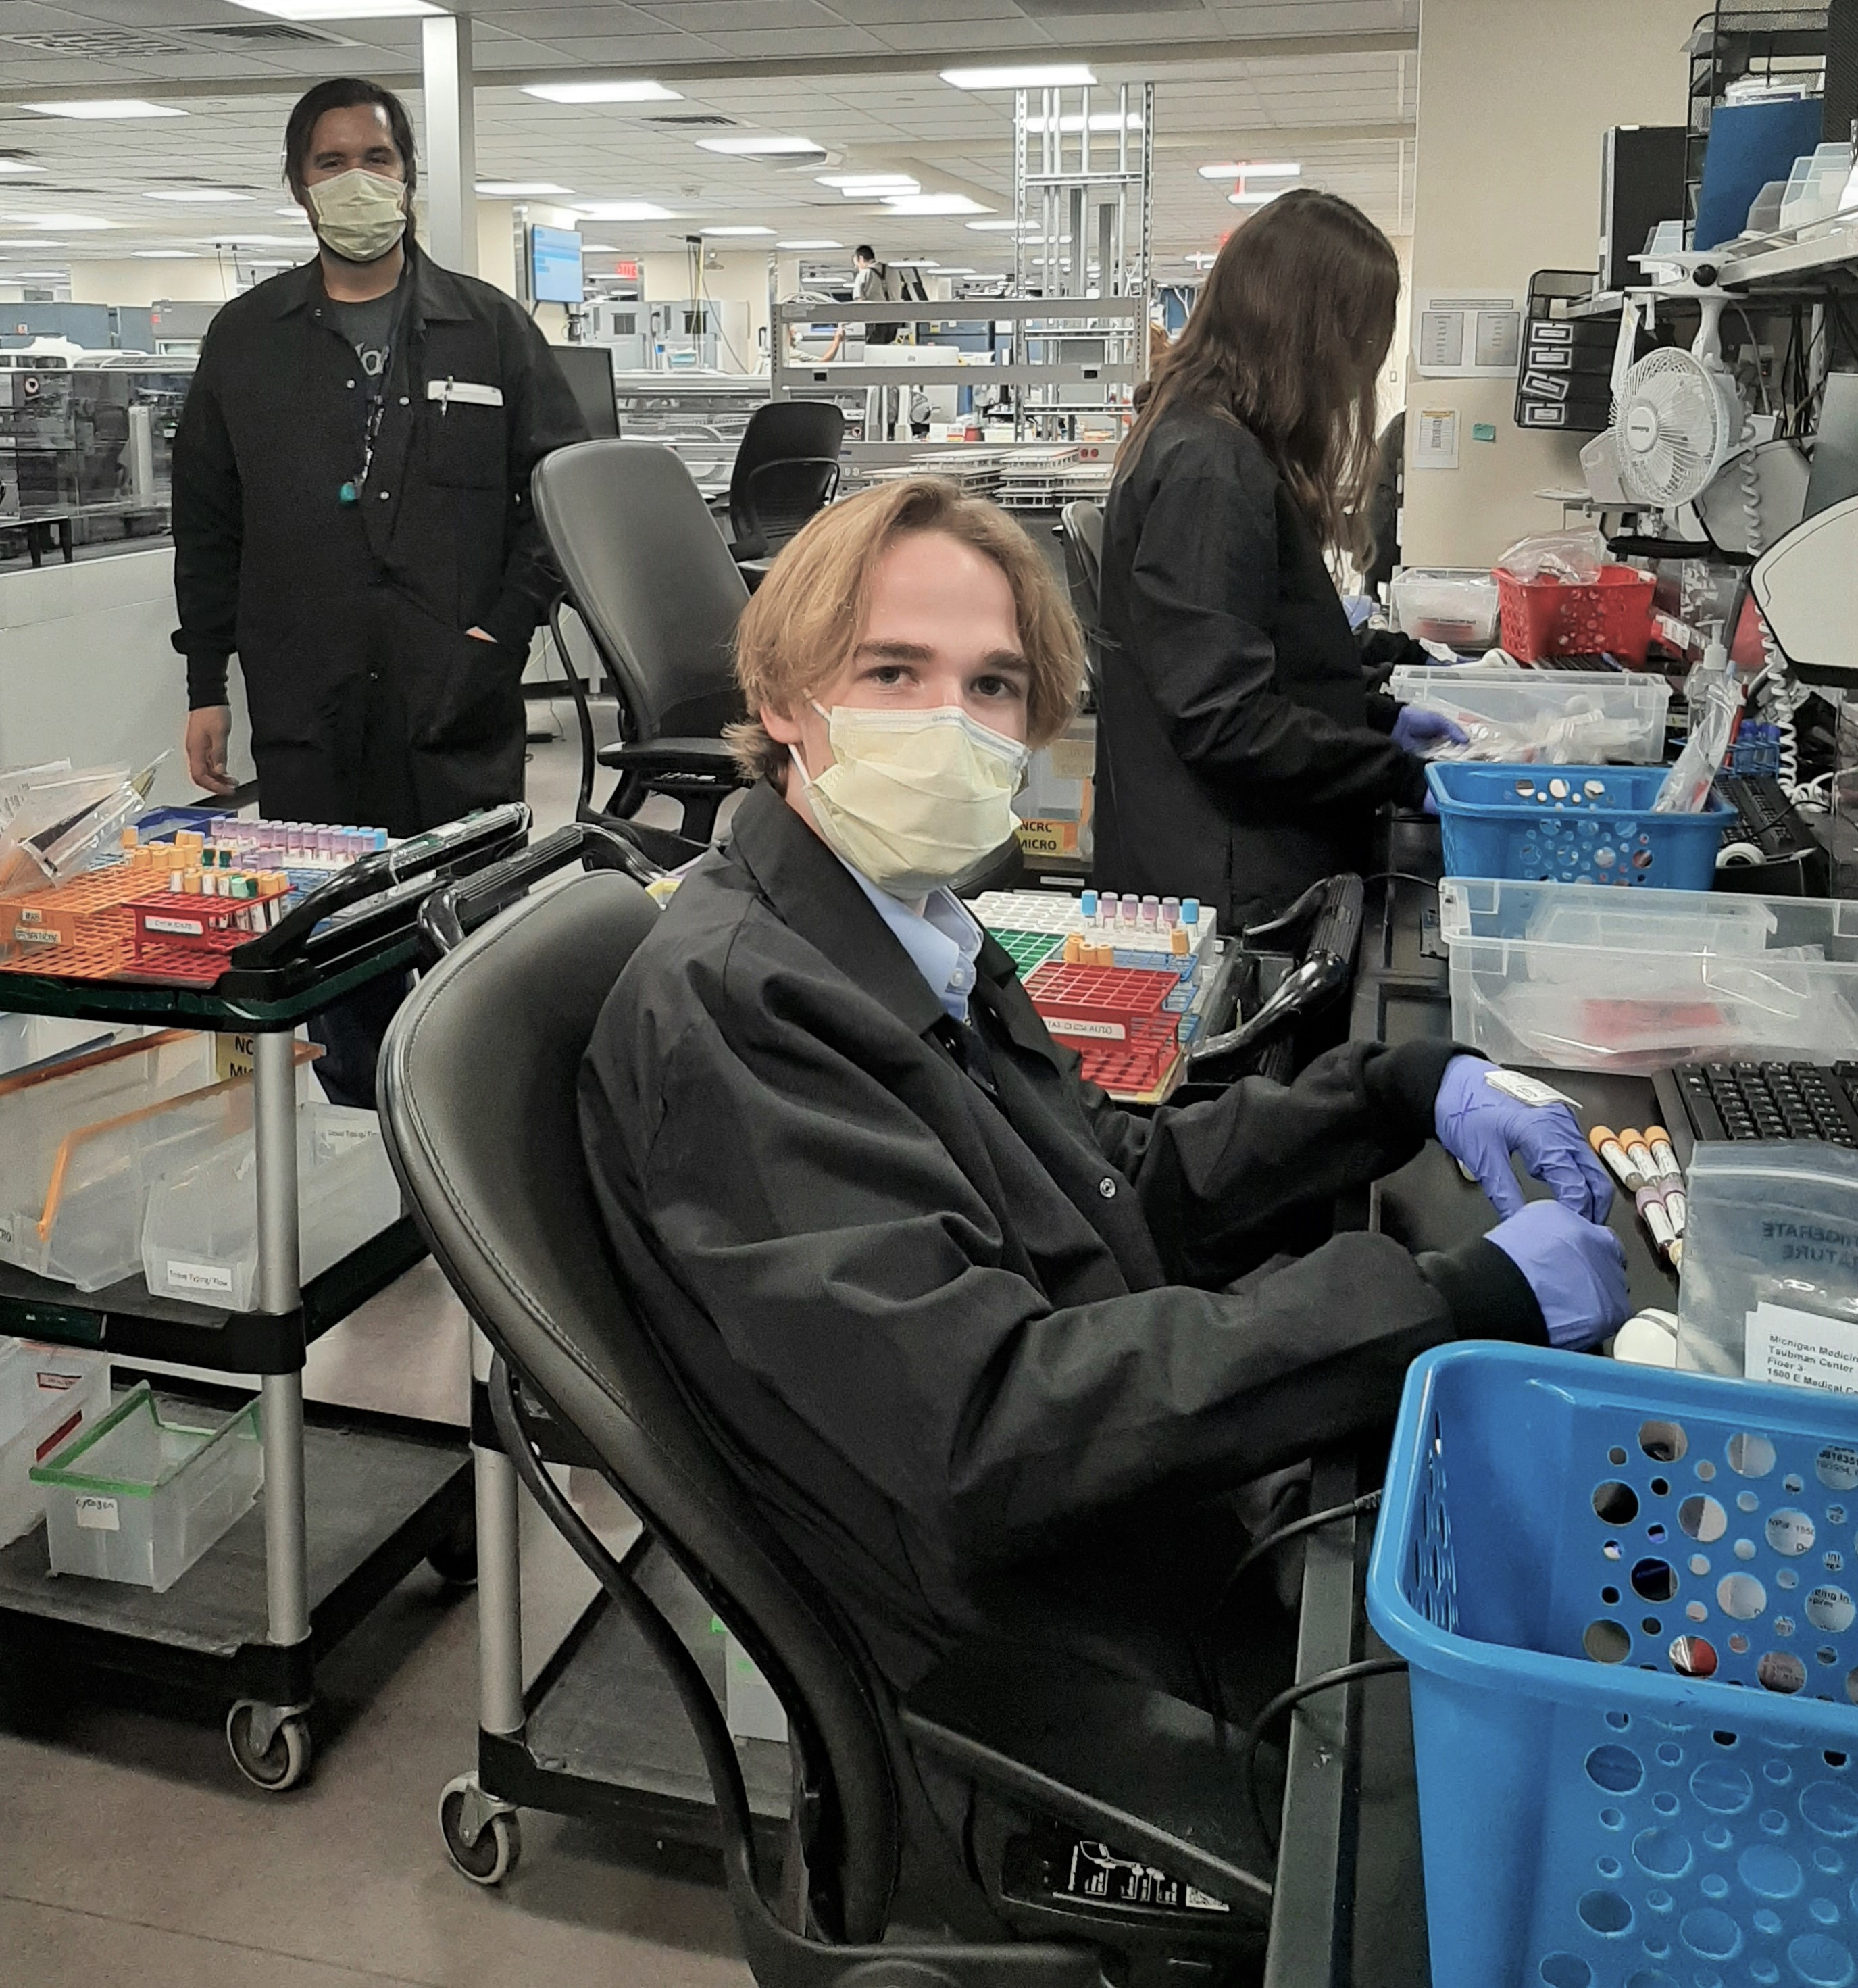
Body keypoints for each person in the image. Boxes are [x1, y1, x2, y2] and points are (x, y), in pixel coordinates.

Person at [579, 476, 1628, 1710]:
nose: (952, 725)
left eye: (991, 686)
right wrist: (1447, 1296)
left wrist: (1397, 1091)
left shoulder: (901, 924)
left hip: (1106, 1518)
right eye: (892, 673)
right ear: (781, 701)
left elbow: (1107, 1176)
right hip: (1021, 1635)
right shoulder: (738, 1006)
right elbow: (991, 1422)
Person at [170, 76, 587, 1105]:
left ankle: (475, 1132)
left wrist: (501, 629)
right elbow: (208, 519)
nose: (356, 179)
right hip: (305, 690)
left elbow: (561, 497)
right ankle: (363, 1129)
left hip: (456, 688)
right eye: (330, 161)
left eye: (377, 159)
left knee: (467, 925)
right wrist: (204, 682)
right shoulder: (246, 338)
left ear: (409, 177)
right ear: (297, 187)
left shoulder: (487, 329)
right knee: (331, 923)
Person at [1095, 191, 1458, 933]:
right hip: (1227, 885)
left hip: (1229, 863)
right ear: (1308, 335)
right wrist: (1391, 771)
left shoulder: (1213, 440)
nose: (1361, 367)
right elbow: (1221, 719)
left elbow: (1253, 659)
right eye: (1359, 337)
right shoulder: (1208, 465)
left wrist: (1376, 719)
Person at [822, 245, 903, 439]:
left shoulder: (864, 274)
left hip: (875, 323)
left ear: (860, 259)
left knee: (873, 365)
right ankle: (889, 413)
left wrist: (846, 324)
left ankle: (876, 409)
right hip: (895, 320)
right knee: (888, 362)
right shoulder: (893, 272)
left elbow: (859, 304)